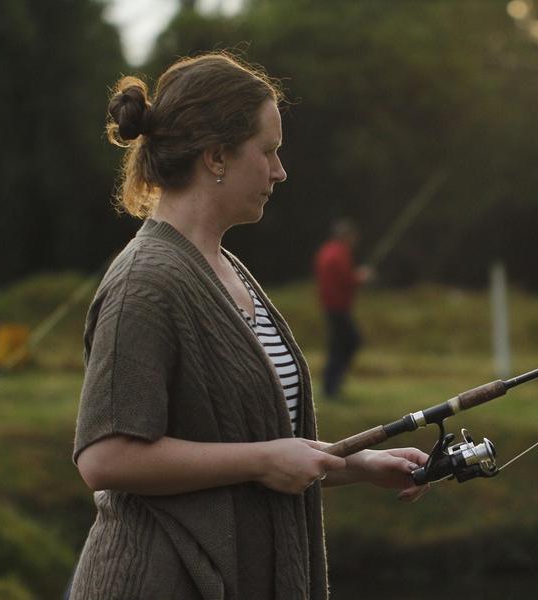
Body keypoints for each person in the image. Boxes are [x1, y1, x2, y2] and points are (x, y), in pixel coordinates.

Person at [71, 52, 428, 600]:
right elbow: (105, 457)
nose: (280, 171)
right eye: (267, 151)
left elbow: (244, 449)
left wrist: (356, 464)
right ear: (216, 156)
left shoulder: (224, 266)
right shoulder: (145, 281)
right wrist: (264, 458)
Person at [314, 220, 371, 398]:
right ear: (346, 236)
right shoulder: (338, 254)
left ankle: (332, 385)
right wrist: (360, 277)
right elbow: (345, 280)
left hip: (331, 306)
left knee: (339, 345)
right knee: (348, 343)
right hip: (337, 307)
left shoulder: (327, 251)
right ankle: (331, 386)